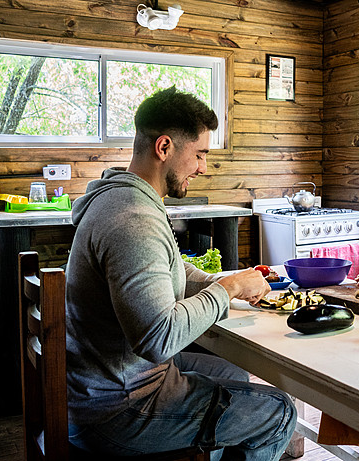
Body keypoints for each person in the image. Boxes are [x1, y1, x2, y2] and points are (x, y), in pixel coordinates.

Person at [65, 87, 296, 460]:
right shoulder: (134, 219)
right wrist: (227, 289)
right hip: (118, 409)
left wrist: (217, 282)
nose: (203, 167)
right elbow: (158, 338)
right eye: (200, 154)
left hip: (105, 384)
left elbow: (166, 267)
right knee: (279, 411)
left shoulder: (120, 198)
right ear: (164, 147)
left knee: (234, 373)